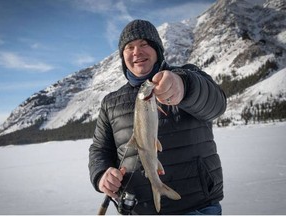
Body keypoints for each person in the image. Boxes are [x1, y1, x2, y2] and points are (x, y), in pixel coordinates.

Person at [89, 19, 227, 215]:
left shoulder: (188, 75)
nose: (137, 52)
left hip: (196, 207)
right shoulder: (110, 102)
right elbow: (100, 149)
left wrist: (185, 87)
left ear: (157, 50)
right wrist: (101, 173)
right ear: (123, 56)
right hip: (137, 210)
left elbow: (217, 105)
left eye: (144, 44)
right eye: (130, 47)